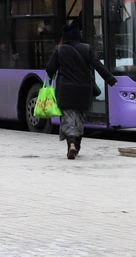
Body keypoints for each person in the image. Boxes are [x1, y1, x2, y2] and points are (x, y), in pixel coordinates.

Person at [45, 23, 118, 160]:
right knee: (79, 119)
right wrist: (111, 79)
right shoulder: (87, 49)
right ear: (78, 36)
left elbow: (49, 69)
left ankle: (71, 144)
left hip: (66, 90)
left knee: (68, 119)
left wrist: (55, 73)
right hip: (84, 91)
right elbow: (98, 65)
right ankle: (76, 147)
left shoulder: (60, 51)